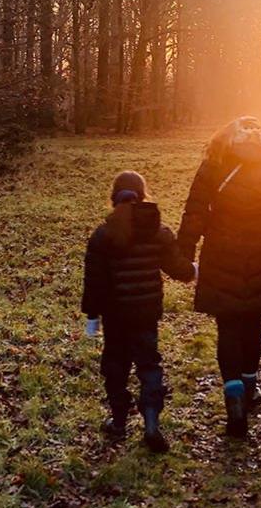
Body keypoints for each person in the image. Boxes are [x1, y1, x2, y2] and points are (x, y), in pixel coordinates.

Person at [178, 117, 261, 438]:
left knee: (228, 327)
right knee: (253, 324)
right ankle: (250, 385)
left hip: (221, 253)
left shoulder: (214, 163)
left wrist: (185, 253)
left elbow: (195, 211)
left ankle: (234, 399)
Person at [81, 169, 195, 453]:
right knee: (149, 364)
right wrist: (193, 270)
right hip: (146, 312)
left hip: (115, 315)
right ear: (143, 195)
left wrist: (92, 316)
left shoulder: (103, 235)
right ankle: (152, 423)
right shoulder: (158, 230)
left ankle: (119, 421)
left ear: (113, 196)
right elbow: (179, 269)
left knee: (115, 366)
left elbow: (94, 281)